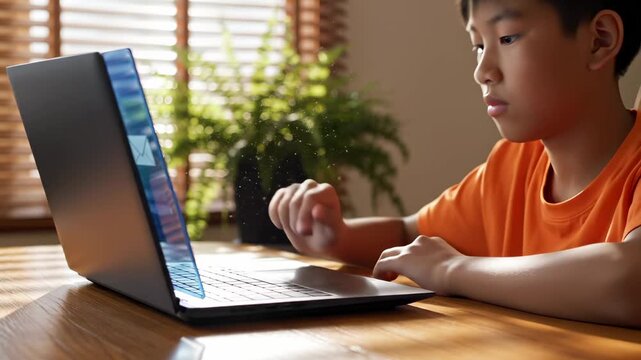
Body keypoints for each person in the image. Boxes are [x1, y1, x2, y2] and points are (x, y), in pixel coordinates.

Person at [268, 0, 641, 327]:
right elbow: (409, 237)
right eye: (478, 46)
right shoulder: (512, 166)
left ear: (600, 40)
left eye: (507, 38)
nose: (483, 71)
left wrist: (454, 270)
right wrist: (339, 237)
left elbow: (630, 279)